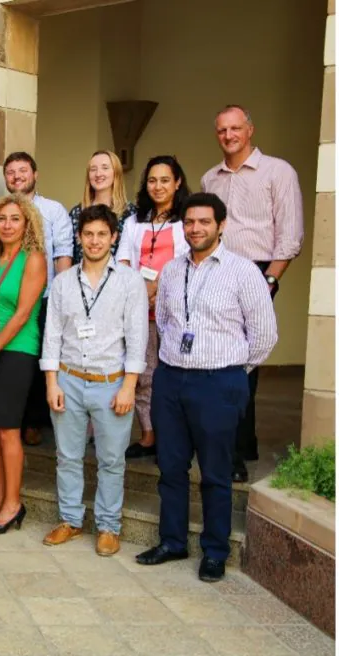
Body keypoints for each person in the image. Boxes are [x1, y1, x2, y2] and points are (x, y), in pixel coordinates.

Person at [136, 193, 277, 582]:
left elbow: (265, 335)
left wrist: (231, 369)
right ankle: (172, 540)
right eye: (189, 222)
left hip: (219, 381)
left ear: (221, 225)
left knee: (215, 472)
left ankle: (215, 551)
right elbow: (163, 321)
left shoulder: (243, 272)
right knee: (171, 466)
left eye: (204, 222)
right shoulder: (171, 270)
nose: (195, 228)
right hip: (172, 379)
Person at [201, 105, 303, 482]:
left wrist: (270, 281)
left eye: (236, 128)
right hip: (217, 270)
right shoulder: (209, 178)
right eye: (222, 130)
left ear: (250, 130)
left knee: (241, 365)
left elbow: (290, 236)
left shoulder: (278, 172)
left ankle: (234, 453)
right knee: (222, 359)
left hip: (259, 273)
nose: (229, 135)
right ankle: (242, 442)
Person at [40, 205, 148, 556]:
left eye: (102, 234)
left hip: (111, 382)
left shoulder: (130, 282)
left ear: (114, 238)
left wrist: (129, 387)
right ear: (79, 237)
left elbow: (137, 338)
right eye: (88, 234)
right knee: (67, 456)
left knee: (111, 459)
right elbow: (52, 335)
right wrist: (51, 383)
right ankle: (70, 520)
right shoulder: (64, 281)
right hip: (69, 379)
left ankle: (108, 526)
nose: (95, 240)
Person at [0, 194, 47, 534]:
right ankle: (0, 499)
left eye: (15, 219)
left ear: (26, 222)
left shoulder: (34, 259)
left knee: (8, 428)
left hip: (16, 351)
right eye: (2, 219)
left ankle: (15, 503)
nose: (7, 224)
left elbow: (22, 314)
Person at [117, 155, 191, 461]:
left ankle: (173, 439)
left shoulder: (187, 219)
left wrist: (156, 288)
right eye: (152, 180)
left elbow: (186, 262)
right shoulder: (135, 220)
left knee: (173, 375)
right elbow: (122, 259)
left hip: (174, 311)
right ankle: (148, 435)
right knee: (143, 374)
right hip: (140, 309)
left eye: (164, 180)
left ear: (177, 183)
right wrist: (139, 291)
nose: (157, 186)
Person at [3, 151, 73, 447]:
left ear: (35, 174)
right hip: (6, 300)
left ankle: (33, 421)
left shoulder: (54, 210)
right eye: (11, 172)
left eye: (23, 170)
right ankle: (9, 418)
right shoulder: (1, 210)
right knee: (11, 360)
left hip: (43, 298)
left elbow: (63, 254)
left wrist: (62, 297)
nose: (17, 176)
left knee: (37, 360)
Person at [68, 150, 137, 264]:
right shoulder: (76, 213)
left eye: (105, 168)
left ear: (116, 173)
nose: (98, 174)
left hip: (119, 279)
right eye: (93, 169)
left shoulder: (131, 213)